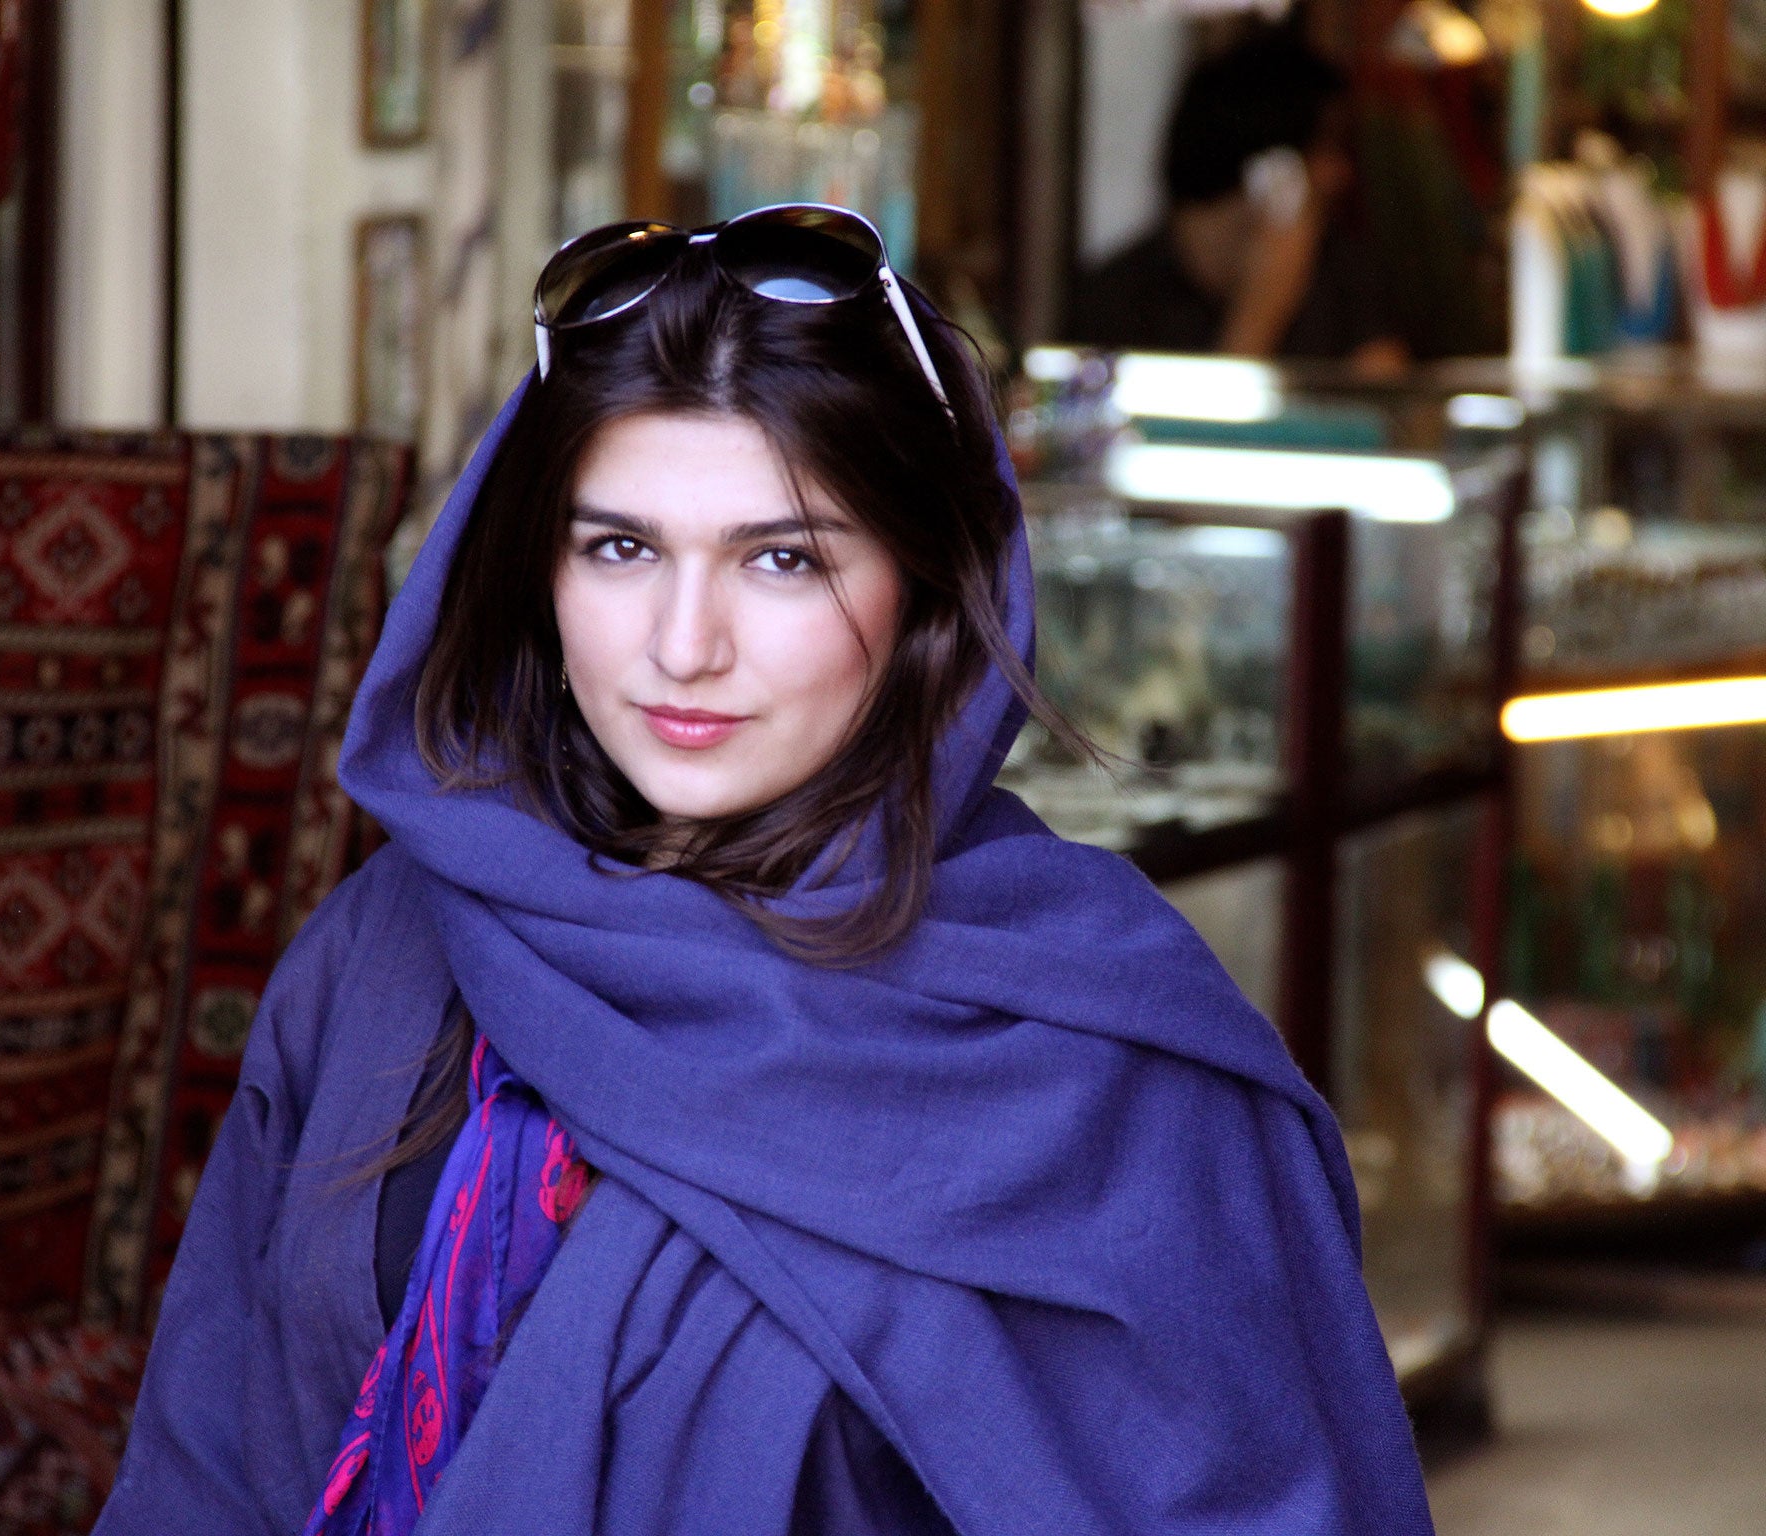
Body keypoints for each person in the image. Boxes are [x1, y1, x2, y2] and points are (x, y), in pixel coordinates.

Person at [93, 204, 1434, 1536]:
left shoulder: (1094, 1060)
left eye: (782, 559)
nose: (684, 646)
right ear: (534, 572)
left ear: (926, 588)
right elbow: (206, 1459)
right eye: (619, 548)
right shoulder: (389, 952)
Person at [1069, 28, 1407, 373]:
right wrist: (1258, 314)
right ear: (1271, 169)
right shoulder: (1113, 301)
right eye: (1324, 150)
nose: (1340, 174)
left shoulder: (1346, 278)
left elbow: (1382, 389)